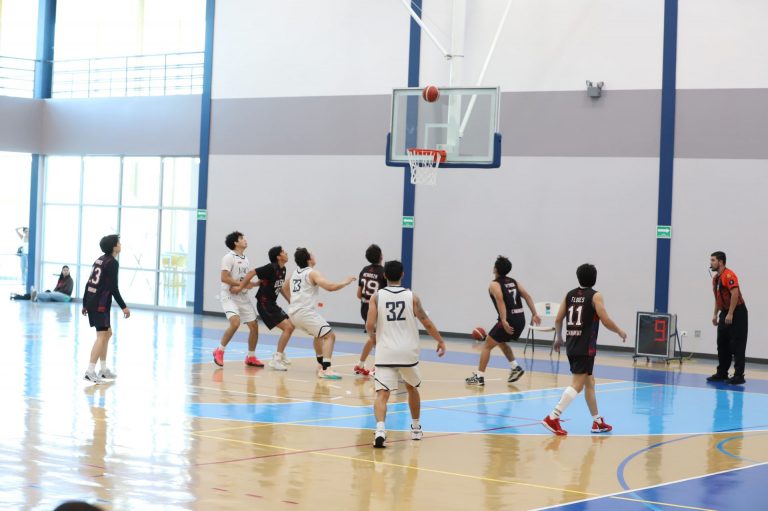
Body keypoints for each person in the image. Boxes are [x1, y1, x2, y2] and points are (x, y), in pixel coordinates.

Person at [366, 260, 446, 448]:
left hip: (386, 352)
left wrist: (373, 338)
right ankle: (416, 428)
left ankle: (380, 430)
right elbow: (426, 322)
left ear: (384, 275)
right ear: (402, 274)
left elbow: (369, 325)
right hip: (408, 353)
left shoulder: (376, 297)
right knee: (412, 388)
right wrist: (440, 340)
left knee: (382, 394)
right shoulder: (412, 297)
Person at [542, 263, 627, 436]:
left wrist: (559, 338)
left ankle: (597, 421)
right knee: (578, 385)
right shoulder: (596, 296)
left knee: (590, 382)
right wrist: (619, 330)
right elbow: (605, 320)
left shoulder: (569, 295)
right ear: (594, 278)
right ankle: (553, 417)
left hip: (572, 344)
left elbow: (558, 319)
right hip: (585, 346)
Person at [465, 256, 541, 387]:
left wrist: (504, 320)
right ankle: (515, 367)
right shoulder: (514, 282)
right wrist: (535, 313)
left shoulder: (494, 284)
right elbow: (527, 296)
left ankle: (479, 377)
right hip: (520, 319)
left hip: (509, 319)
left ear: (495, 269)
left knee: (487, 345)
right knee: (500, 341)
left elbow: (500, 300)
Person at [283, 247, 356, 379]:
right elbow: (330, 287)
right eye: (312, 255)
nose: (314, 256)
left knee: (319, 335)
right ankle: (326, 369)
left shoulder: (295, 273)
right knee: (330, 336)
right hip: (304, 312)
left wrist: (292, 301)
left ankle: (320, 364)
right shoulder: (312, 273)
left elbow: (284, 287)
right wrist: (345, 282)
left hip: (293, 314)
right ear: (308, 259)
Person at [235, 246, 295, 371]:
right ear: (278, 256)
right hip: (264, 304)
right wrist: (241, 287)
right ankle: (276, 359)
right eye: (283, 252)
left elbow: (280, 287)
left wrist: (289, 300)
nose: (286, 253)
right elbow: (251, 272)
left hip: (272, 303)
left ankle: (280, 353)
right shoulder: (270, 267)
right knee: (288, 328)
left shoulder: (282, 269)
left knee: (291, 325)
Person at [82, 234, 131, 384]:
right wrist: (124, 307)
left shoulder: (99, 259)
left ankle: (103, 370)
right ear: (114, 247)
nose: (120, 244)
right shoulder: (112, 263)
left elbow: (89, 283)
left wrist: (85, 303)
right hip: (100, 304)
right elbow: (113, 288)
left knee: (107, 334)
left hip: (93, 301)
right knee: (102, 336)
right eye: (119, 242)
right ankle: (90, 371)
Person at [213, 231, 263, 368]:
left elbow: (243, 281)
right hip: (229, 295)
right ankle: (219, 351)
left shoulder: (246, 259)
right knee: (235, 323)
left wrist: (255, 284)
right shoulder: (228, 257)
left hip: (242, 296)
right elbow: (224, 278)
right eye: (241, 238)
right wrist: (241, 285)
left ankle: (251, 357)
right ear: (235, 242)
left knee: (254, 326)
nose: (245, 240)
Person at [707, 251, 748, 385]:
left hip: (738, 312)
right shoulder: (715, 279)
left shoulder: (729, 275)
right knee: (722, 343)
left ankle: (739, 376)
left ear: (721, 262)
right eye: (711, 260)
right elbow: (717, 298)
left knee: (737, 344)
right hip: (724, 311)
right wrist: (715, 314)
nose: (711, 263)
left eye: (713, 260)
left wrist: (731, 313)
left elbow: (735, 293)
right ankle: (722, 372)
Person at [354, 244, 388, 376]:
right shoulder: (384, 272)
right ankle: (378, 367)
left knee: (373, 337)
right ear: (381, 256)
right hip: (376, 309)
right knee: (382, 338)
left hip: (364, 308)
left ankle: (360, 365)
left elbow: (358, 294)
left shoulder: (364, 270)